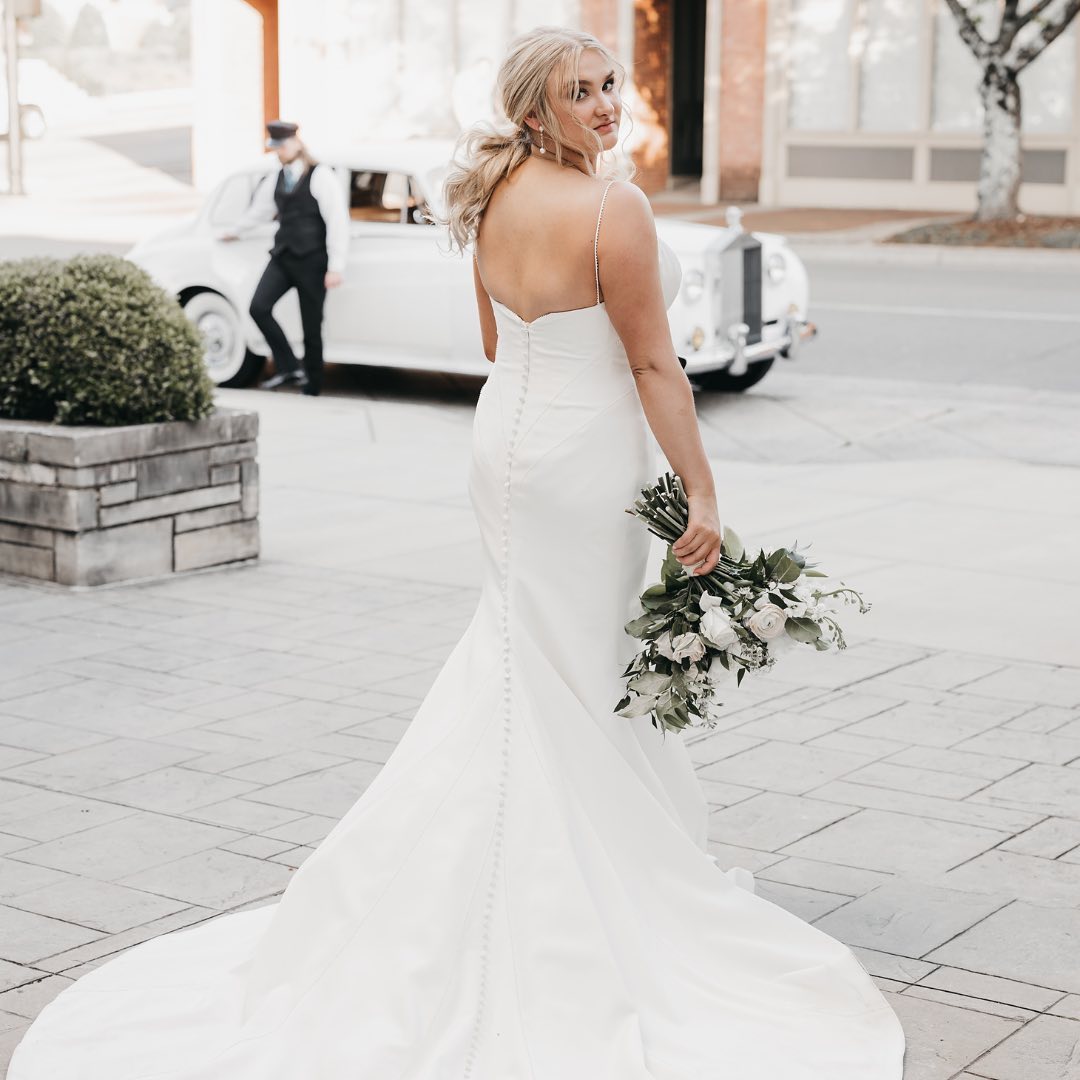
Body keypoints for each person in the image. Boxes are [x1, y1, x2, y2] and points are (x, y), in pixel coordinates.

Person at [8, 28, 905, 1079]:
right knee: (579, 668)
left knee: (533, 658)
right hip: (585, 457)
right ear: (535, 112)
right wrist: (702, 490)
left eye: (611, 83)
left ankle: (505, 859)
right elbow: (656, 364)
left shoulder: (487, 193)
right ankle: (583, 882)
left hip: (508, 440)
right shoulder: (618, 208)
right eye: (582, 92)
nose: (610, 104)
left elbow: (494, 344)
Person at [222, 120, 349, 397]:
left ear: (295, 142)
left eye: (281, 146)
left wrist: (335, 266)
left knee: (311, 325)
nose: (279, 152)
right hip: (282, 257)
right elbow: (260, 211)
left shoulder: (320, 175)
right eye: (275, 147)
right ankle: (289, 365)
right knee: (258, 307)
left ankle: (312, 385)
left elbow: (337, 221)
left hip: (313, 261)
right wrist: (234, 232)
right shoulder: (276, 177)